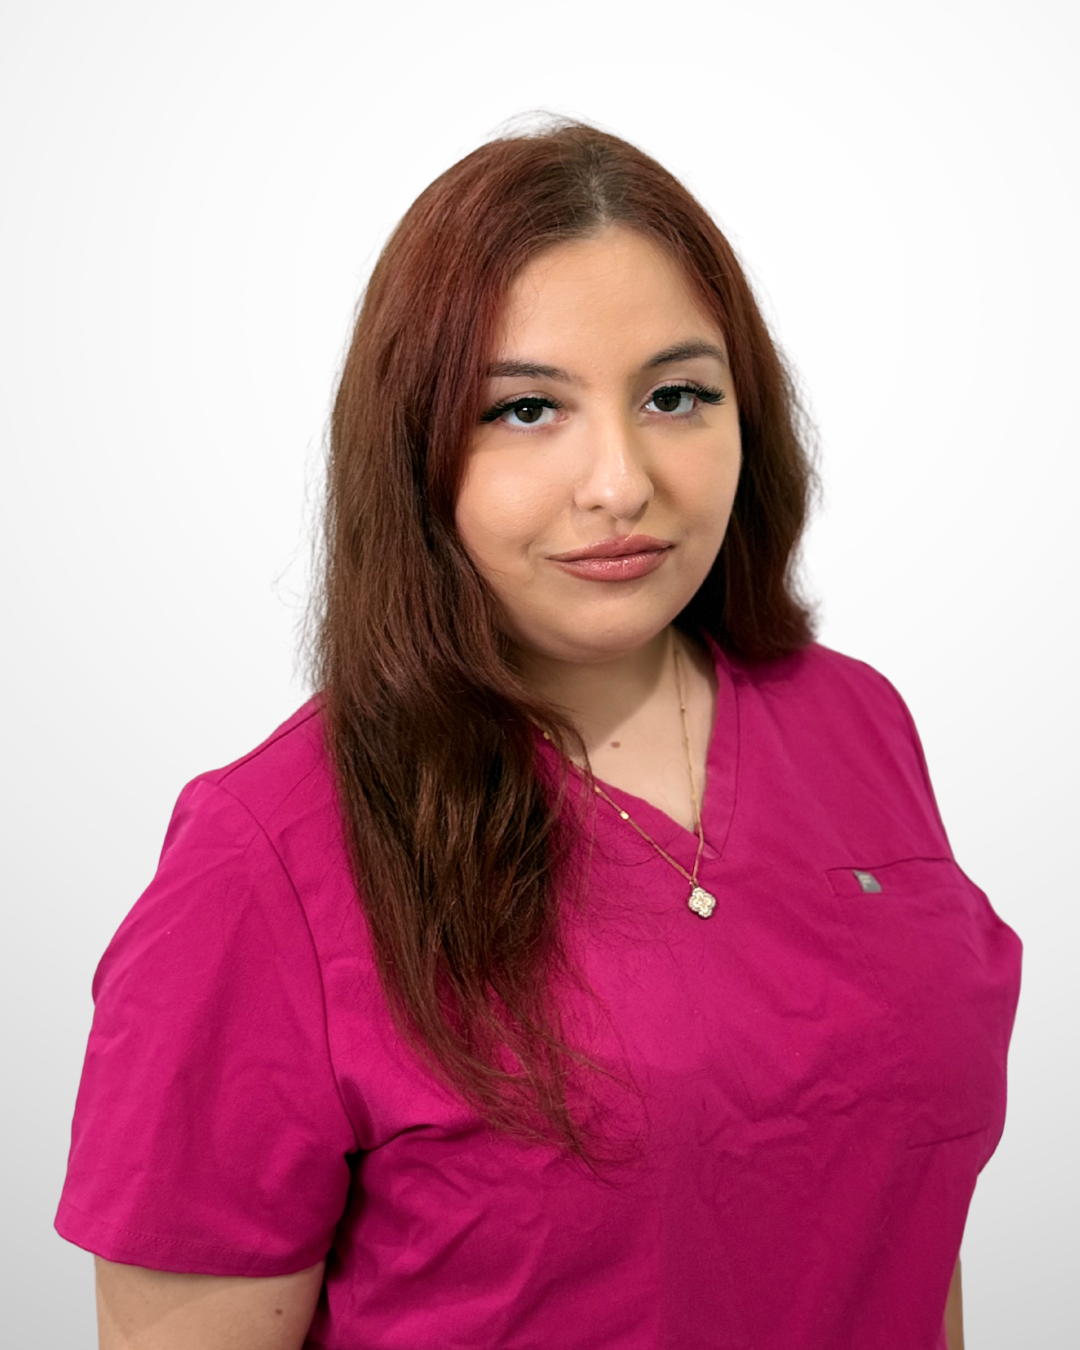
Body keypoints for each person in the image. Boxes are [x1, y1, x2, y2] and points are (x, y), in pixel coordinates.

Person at [55, 120, 1022, 1350]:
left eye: (677, 396)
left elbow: (904, 1221)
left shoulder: (856, 724)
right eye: (524, 409)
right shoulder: (266, 858)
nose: (620, 482)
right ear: (412, 449)